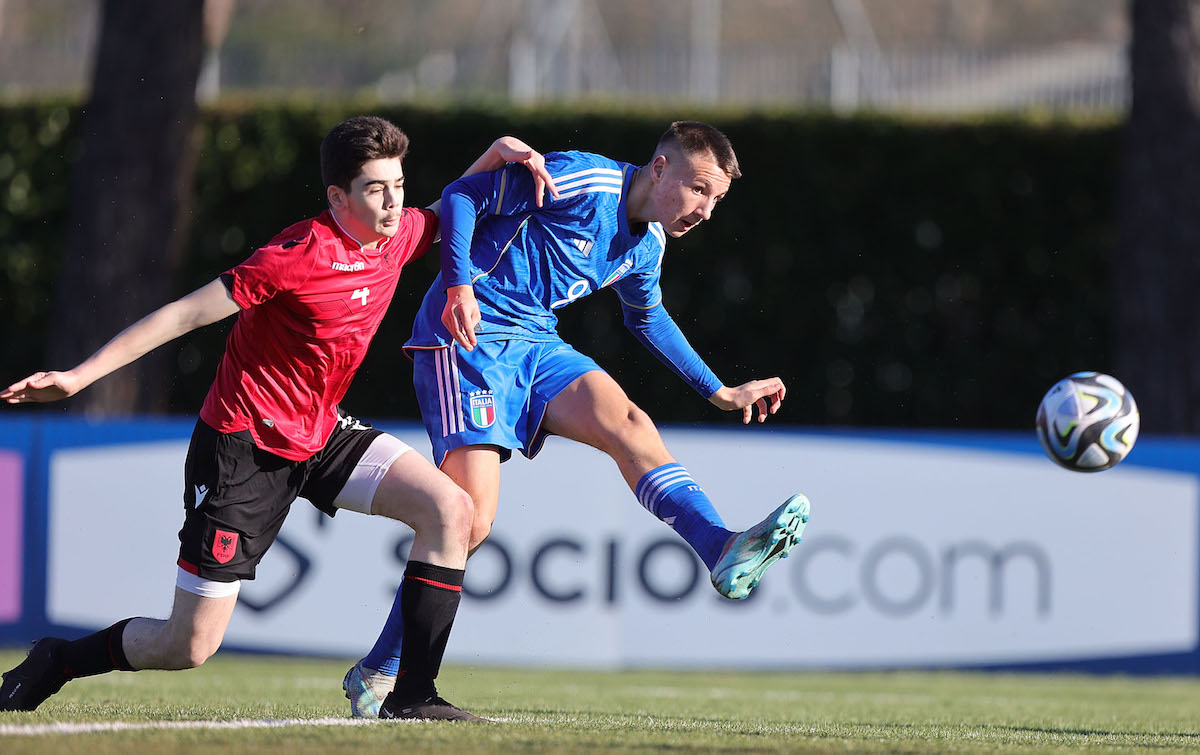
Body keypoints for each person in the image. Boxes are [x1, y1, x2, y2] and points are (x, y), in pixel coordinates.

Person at [0, 115, 556, 722]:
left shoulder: (397, 234)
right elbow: (184, 316)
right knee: (187, 646)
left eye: (398, 184)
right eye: (376, 189)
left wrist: (493, 153)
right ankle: (58, 659)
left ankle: (412, 695)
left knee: (451, 510)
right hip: (244, 447)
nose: (394, 202)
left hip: (321, 433)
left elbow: (449, 206)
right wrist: (79, 377)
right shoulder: (295, 255)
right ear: (337, 197)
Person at [343, 120, 810, 718]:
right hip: (468, 338)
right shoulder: (583, 179)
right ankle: (381, 670)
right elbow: (463, 195)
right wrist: (458, 284)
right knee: (469, 519)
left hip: (536, 343)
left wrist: (717, 391)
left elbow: (647, 319)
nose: (705, 210)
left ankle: (720, 548)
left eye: (715, 200)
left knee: (631, 425)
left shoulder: (649, 244)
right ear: (661, 168)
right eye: (699, 190)